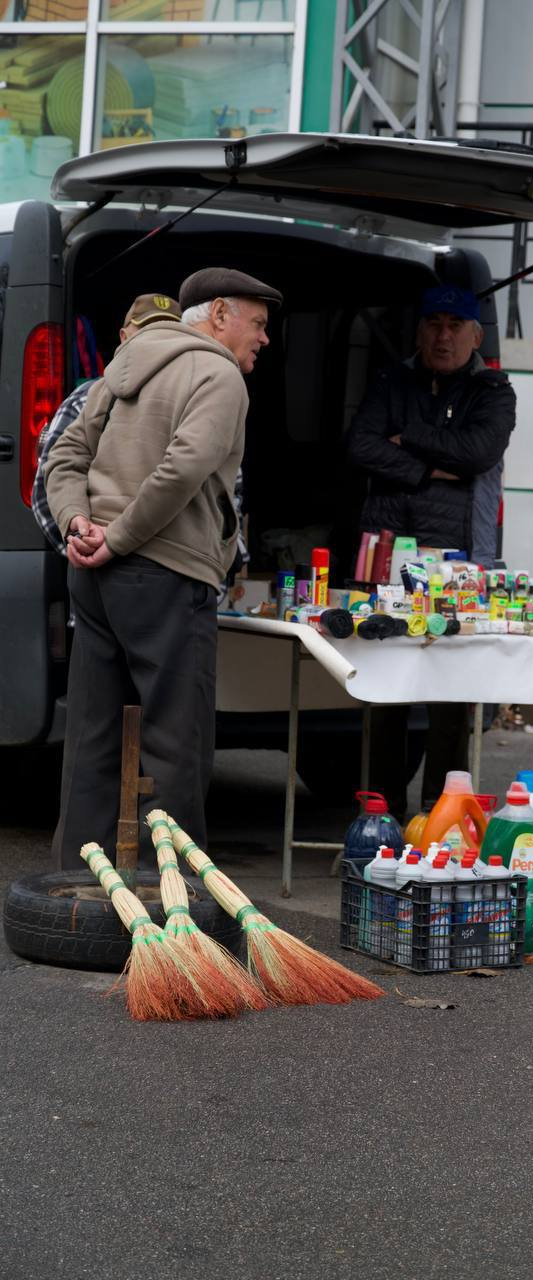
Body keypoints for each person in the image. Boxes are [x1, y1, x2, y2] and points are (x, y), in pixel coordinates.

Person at [44, 268, 282, 869]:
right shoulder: (217, 374)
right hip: (166, 575)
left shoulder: (121, 367)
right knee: (178, 743)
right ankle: (171, 896)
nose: (264, 338)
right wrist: (118, 539)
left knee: (92, 739)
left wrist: (80, 525)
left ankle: (77, 886)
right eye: (257, 323)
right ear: (219, 315)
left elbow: (63, 458)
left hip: (93, 578)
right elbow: (184, 468)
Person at [346, 284, 516, 814]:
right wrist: (429, 470)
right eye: (434, 324)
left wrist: (409, 437)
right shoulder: (391, 379)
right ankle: (382, 813)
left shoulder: (492, 391)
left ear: (474, 334)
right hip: (386, 549)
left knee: (449, 691)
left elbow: (479, 451)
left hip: (455, 557)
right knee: (383, 686)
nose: (443, 336)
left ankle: (441, 814)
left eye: (454, 326)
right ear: (420, 331)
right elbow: (361, 445)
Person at [32, 294, 183, 555]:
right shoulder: (89, 397)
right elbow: (48, 488)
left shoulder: (194, 400)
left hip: (172, 570)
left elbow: (225, 495)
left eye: (168, 333)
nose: (156, 342)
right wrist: (84, 552)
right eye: (145, 331)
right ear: (124, 338)